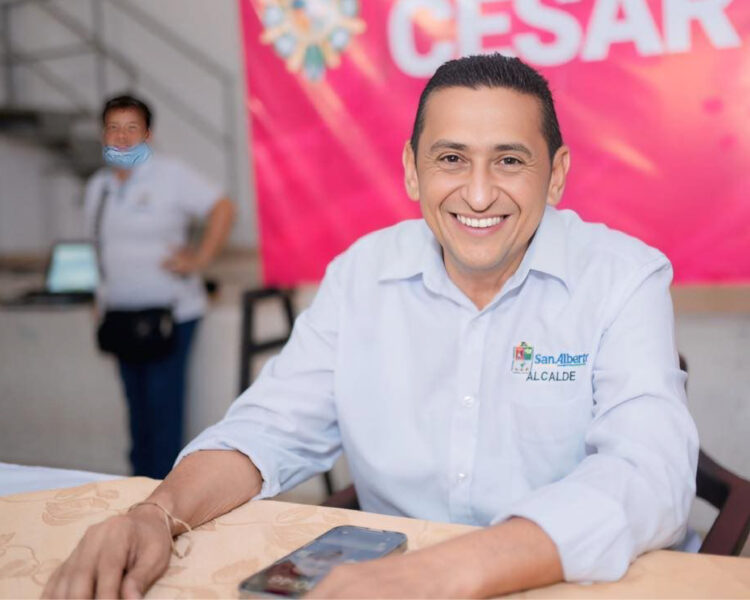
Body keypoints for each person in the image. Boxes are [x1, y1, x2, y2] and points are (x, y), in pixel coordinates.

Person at [44, 56, 697, 599]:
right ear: (412, 169)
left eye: (509, 161)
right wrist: (157, 515)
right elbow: (268, 427)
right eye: (451, 159)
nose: (477, 194)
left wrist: (446, 571)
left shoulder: (623, 278)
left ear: (555, 176)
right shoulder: (362, 274)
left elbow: (650, 474)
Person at [84, 94, 235, 480]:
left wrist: (199, 259)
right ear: (102, 134)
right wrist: (100, 298)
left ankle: (165, 495)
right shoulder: (98, 186)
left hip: (171, 316)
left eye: (131, 128)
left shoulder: (171, 175)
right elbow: (99, 248)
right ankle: (137, 489)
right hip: (120, 317)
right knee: (137, 415)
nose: (121, 138)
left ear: (148, 135)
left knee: (163, 411)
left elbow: (223, 208)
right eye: (113, 128)